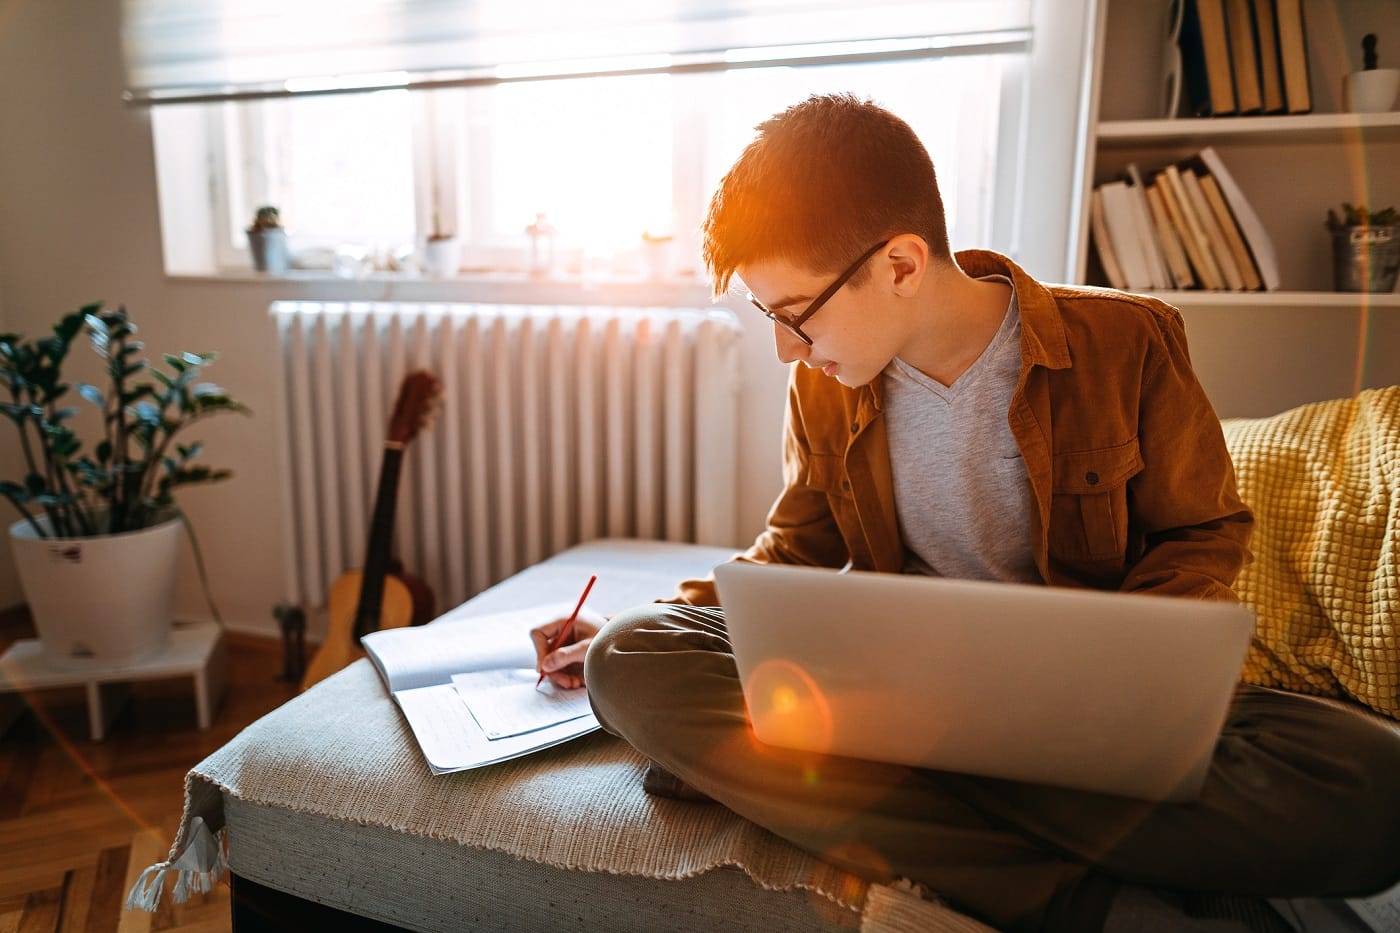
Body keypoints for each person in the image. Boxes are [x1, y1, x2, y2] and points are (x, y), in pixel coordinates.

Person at [530, 93, 1400, 932]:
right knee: (630, 656)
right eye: (770, 316)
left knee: (1372, 785)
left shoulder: (1128, 341)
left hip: (1081, 704)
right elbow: (791, 552)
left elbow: (1203, 530)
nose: (784, 348)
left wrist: (1128, 679)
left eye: (795, 315)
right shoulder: (822, 389)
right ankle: (1071, 900)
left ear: (901, 265)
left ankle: (836, 794)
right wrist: (666, 616)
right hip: (894, 692)